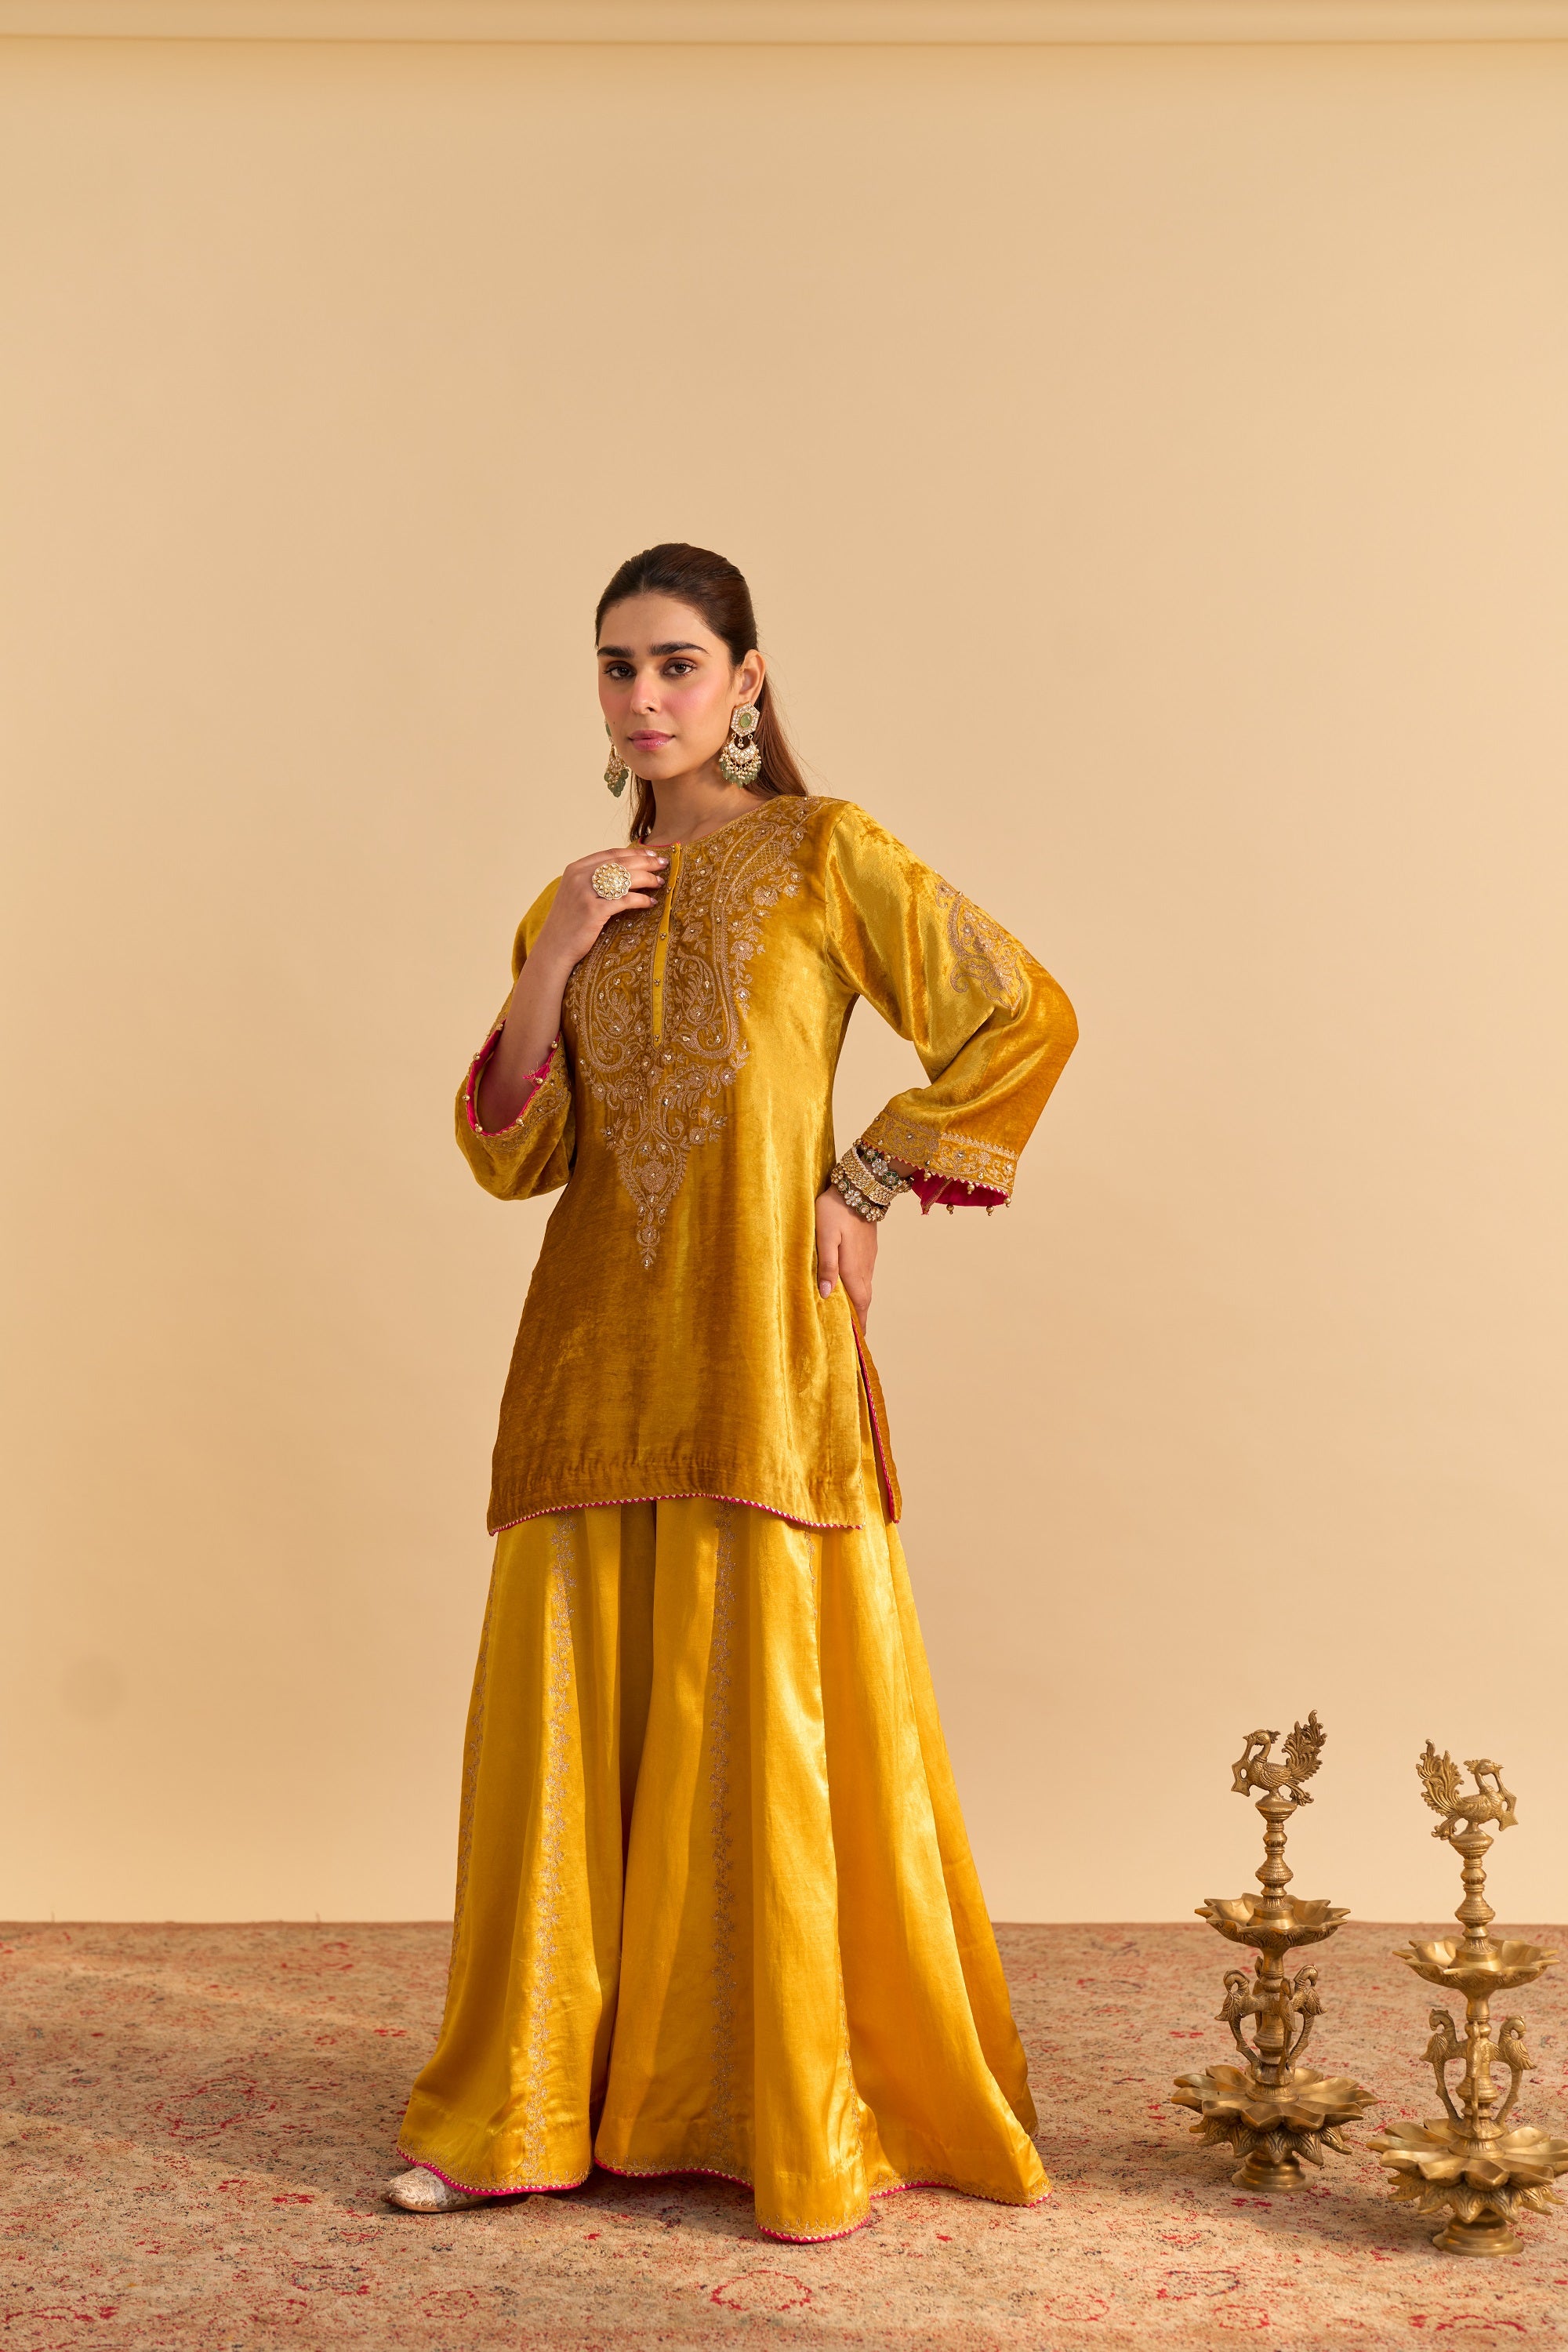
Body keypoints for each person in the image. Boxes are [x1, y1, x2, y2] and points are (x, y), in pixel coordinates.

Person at [386, 543, 1077, 2243]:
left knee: (765, 1723)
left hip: (761, 1349)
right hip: (590, 1364)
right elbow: (515, 1153)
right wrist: (556, 947)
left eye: (678, 664)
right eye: (618, 667)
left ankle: (784, 2102)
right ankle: (521, 2109)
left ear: (747, 681)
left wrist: (868, 1179)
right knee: (561, 1747)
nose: (645, 698)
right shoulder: (574, 897)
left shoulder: (828, 854)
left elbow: (1023, 1016)